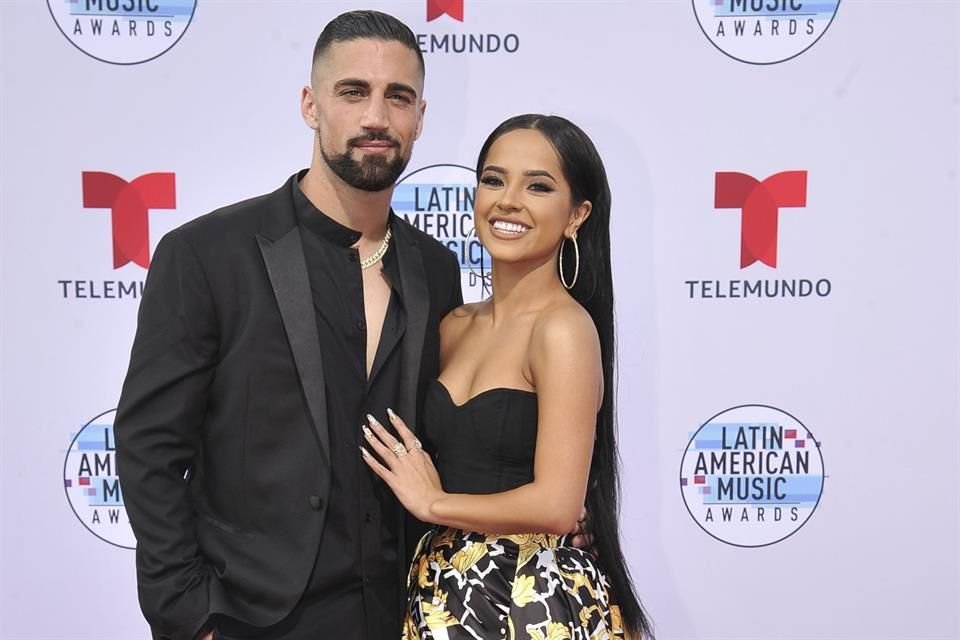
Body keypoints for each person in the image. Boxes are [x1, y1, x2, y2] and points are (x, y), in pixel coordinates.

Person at [114, 10, 463, 640]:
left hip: (401, 613)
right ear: (311, 104)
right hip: (250, 617)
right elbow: (148, 450)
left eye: (398, 97)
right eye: (352, 92)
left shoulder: (435, 269)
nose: (376, 118)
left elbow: (453, 430)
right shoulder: (207, 254)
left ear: (419, 117)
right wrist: (193, 617)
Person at [361, 114, 655, 640]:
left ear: (576, 215)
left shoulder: (564, 329)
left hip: (532, 600)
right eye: (494, 179)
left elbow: (558, 506)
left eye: (538, 186)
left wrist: (434, 504)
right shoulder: (451, 325)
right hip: (441, 595)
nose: (508, 200)